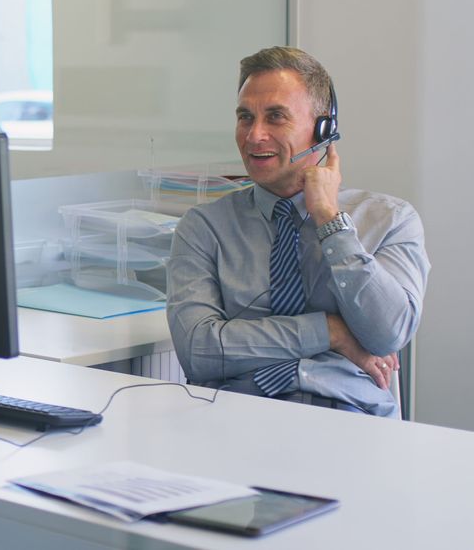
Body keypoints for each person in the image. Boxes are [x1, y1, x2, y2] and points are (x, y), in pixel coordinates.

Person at [165, 47, 430, 418]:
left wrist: (330, 221)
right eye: (245, 117)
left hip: (349, 419)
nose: (254, 135)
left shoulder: (389, 219)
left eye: (275, 117)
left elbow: (388, 333)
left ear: (323, 129)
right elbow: (199, 351)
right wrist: (330, 332)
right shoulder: (205, 226)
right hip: (237, 418)